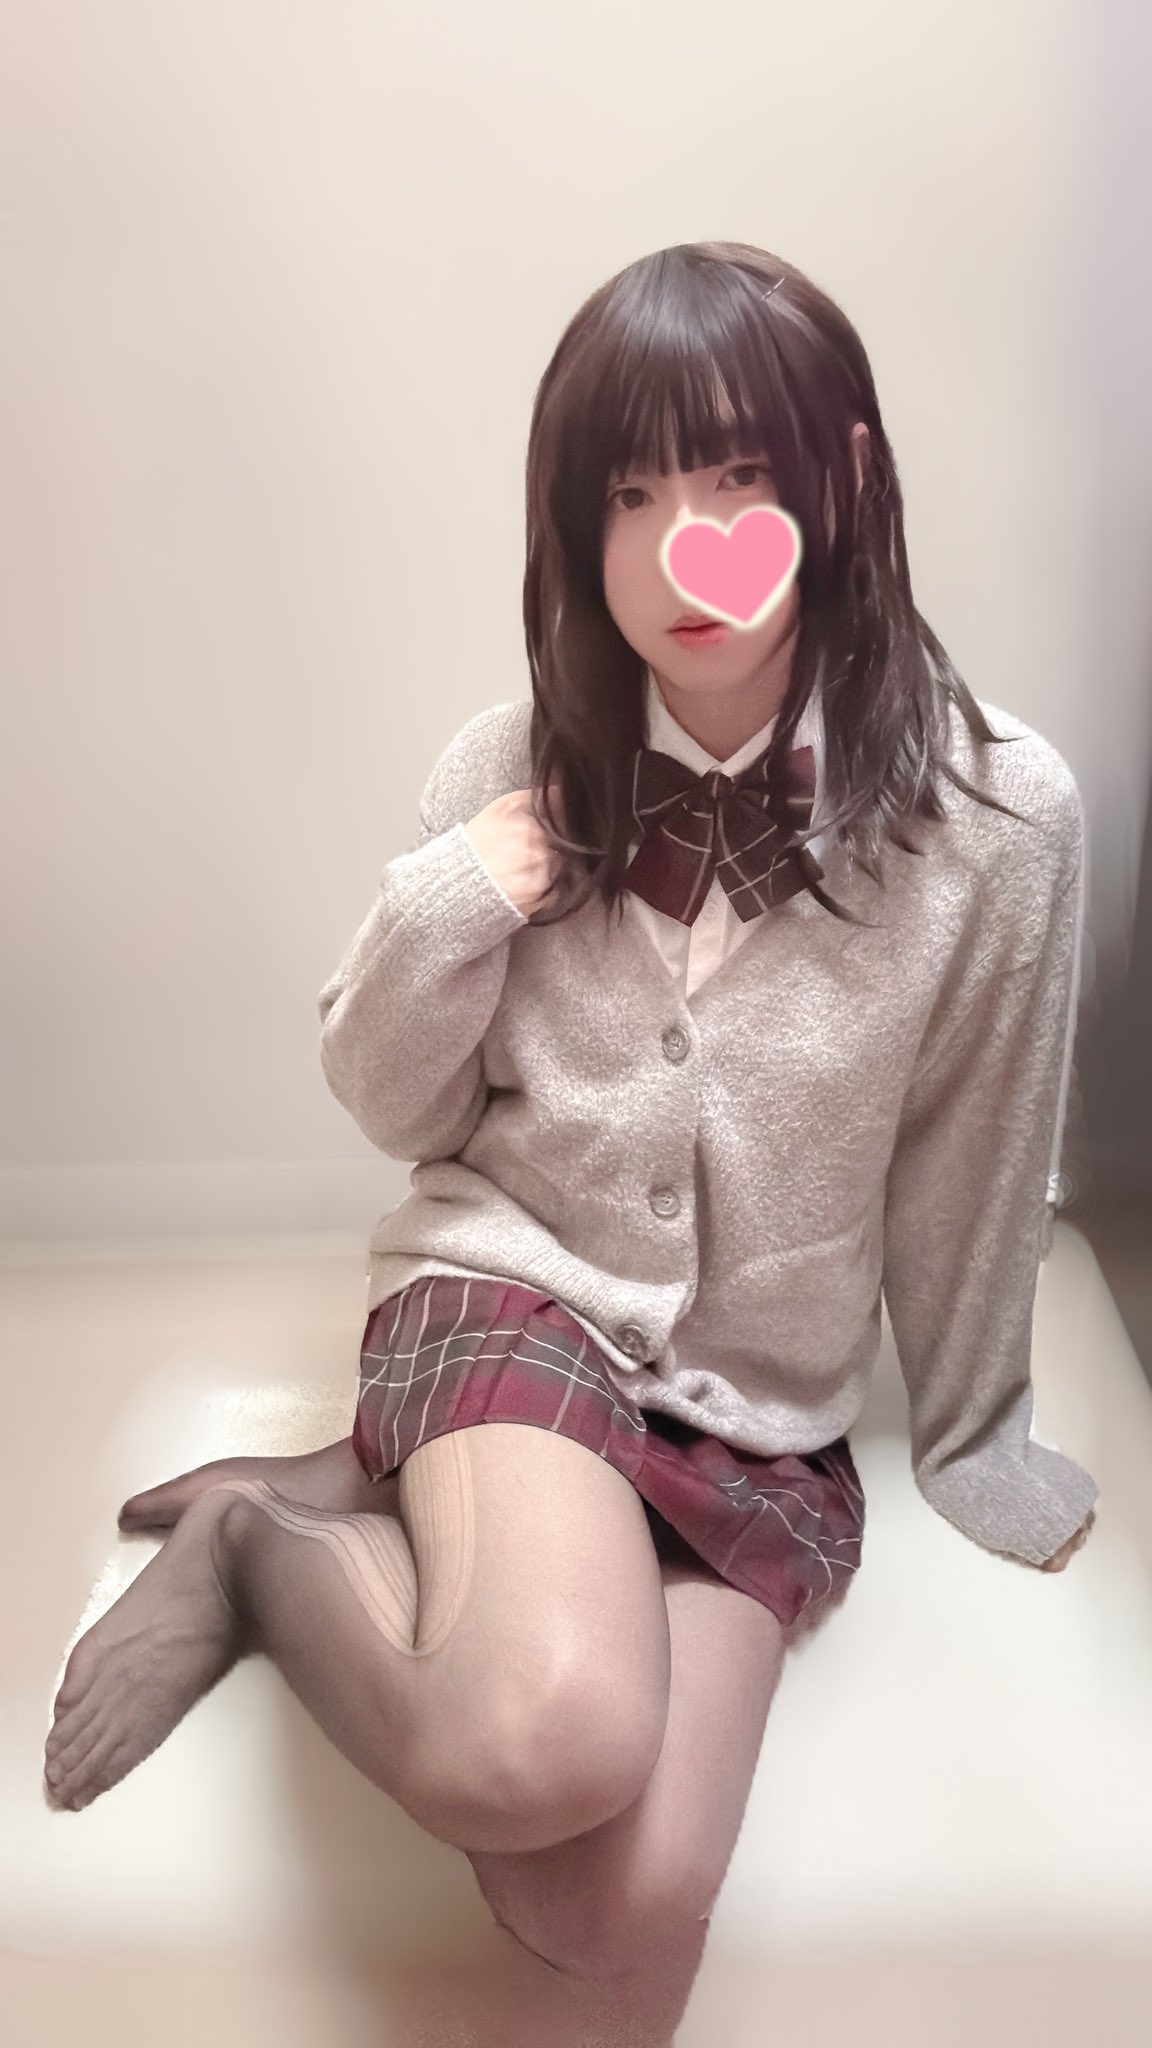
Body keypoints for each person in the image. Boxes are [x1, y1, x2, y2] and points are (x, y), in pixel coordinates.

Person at [43, 240, 1097, 2044]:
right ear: (576, 521)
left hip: (755, 1406)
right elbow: (399, 1110)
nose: (685, 546)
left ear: (844, 480)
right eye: (630, 495)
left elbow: (983, 1144)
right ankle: (251, 1556)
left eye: (739, 479)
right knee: (540, 1740)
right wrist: (456, 897)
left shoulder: (998, 819)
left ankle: (385, 1492)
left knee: (612, 1902)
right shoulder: (509, 765)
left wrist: (977, 1429)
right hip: (517, 1291)